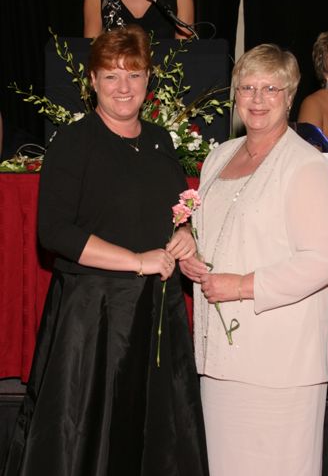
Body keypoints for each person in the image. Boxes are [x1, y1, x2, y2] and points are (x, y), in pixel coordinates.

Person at [2, 25, 209, 476]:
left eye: (133, 75)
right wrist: (137, 261)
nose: (123, 87)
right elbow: (54, 232)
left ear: (148, 80)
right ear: (92, 81)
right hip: (93, 315)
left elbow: (174, 209)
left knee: (158, 436)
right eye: (111, 76)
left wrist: (187, 233)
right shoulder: (73, 144)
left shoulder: (161, 140)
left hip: (156, 311)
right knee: (85, 439)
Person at [180, 44, 328, 476]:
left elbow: (327, 260)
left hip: (281, 361)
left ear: (291, 96)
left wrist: (241, 285)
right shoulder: (219, 156)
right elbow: (212, 231)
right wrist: (190, 255)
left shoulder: (305, 165)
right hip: (222, 358)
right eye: (248, 87)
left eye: (271, 88)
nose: (257, 98)